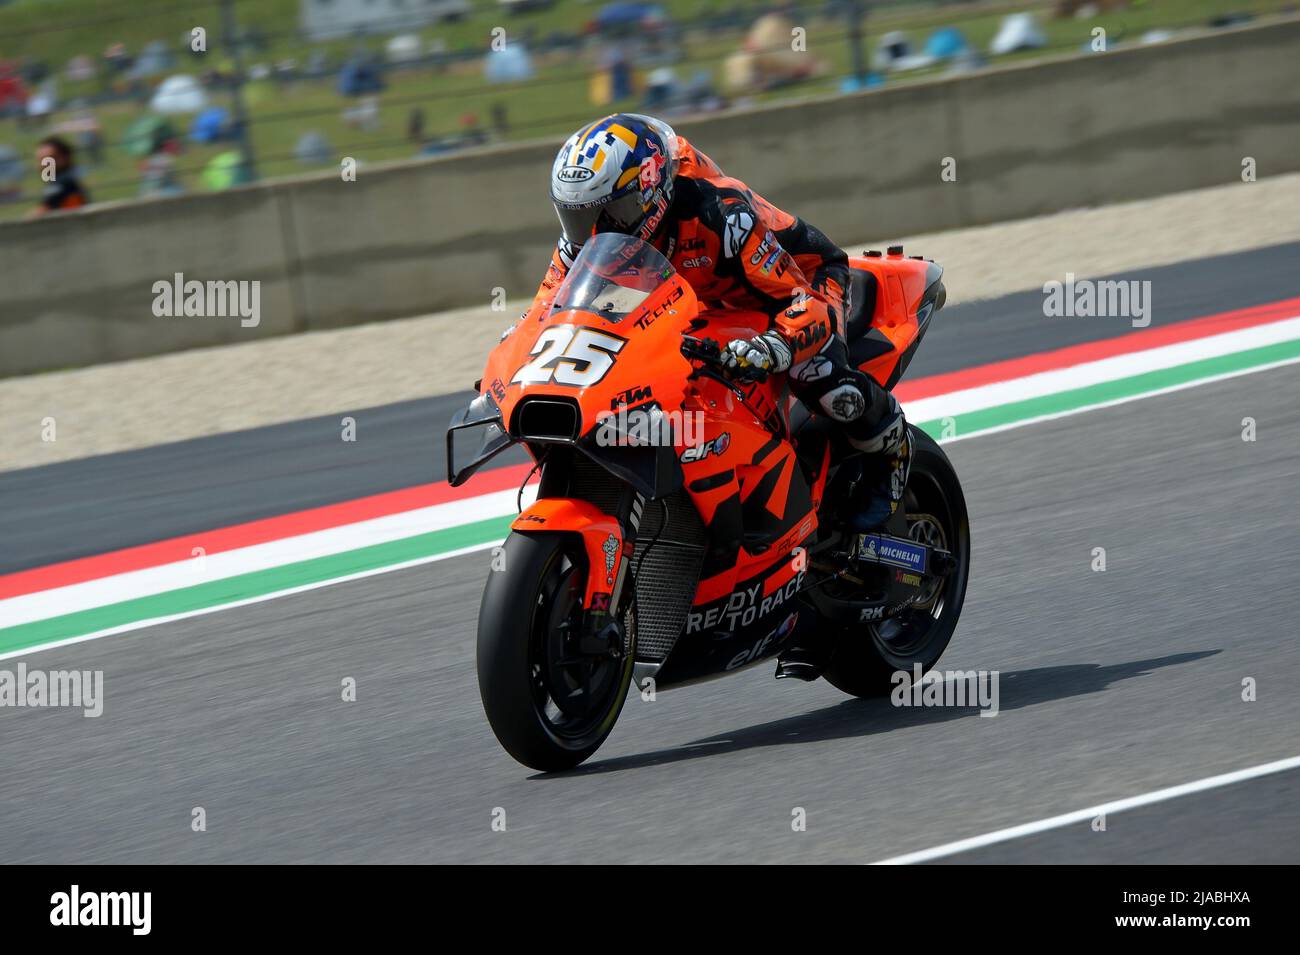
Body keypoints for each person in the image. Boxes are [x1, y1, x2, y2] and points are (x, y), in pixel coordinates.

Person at [530, 113, 908, 515]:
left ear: (649, 189)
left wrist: (773, 347)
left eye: (612, 212)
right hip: (702, 303)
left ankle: (892, 449)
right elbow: (547, 310)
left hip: (798, 281)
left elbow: (802, 302)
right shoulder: (585, 240)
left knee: (819, 378)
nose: (595, 230)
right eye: (577, 217)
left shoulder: (720, 216)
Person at [27, 136, 89, 219]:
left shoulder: (63, 185)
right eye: (40, 160)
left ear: (65, 158)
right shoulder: (69, 180)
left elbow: (39, 213)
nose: (43, 164)